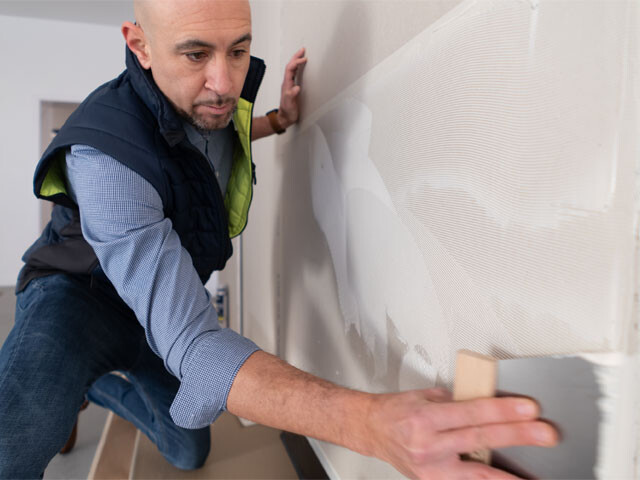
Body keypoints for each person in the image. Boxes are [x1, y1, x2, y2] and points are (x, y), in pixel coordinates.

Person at [0, 0, 558, 478]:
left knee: (188, 452)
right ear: (140, 45)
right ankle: (75, 381)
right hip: (78, 298)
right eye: (196, 54)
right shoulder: (105, 158)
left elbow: (214, 131)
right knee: (16, 440)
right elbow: (194, 345)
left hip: (149, 316)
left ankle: (97, 388)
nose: (224, 83)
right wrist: (371, 424)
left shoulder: (207, 99)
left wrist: (280, 118)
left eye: (239, 50)